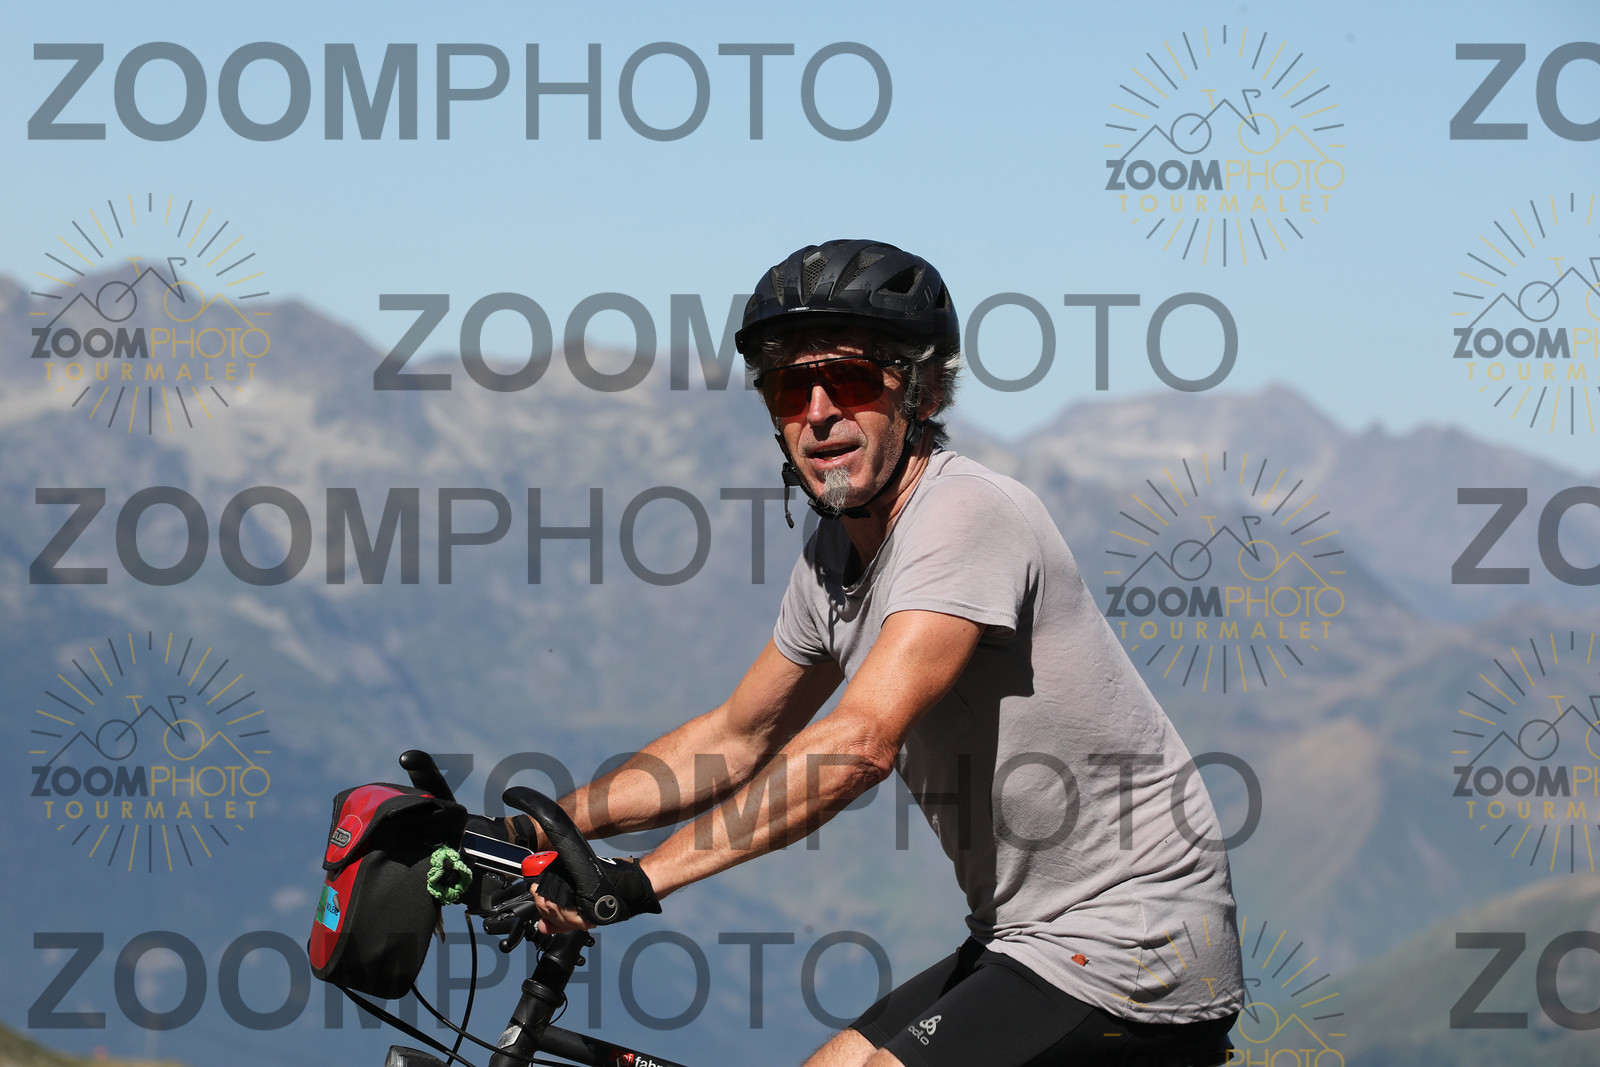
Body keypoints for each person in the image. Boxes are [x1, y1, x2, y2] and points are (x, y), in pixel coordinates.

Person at [520, 239, 1245, 1066]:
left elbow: (860, 743)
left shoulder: (966, 514)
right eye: (791, 387)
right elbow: (736, 737)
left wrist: (645, 877)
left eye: (853, 379)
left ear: (923, 392)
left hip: (1134, 944)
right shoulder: (832, 557)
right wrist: (543, 825)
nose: (820, 411)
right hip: (1024, 938)